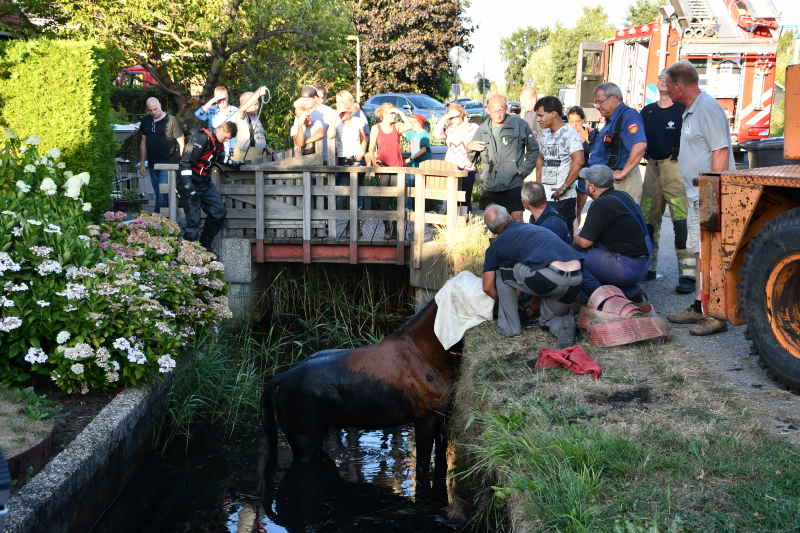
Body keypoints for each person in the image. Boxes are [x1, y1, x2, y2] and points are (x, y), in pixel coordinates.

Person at [663, 60, 735, 336]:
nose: (667, 90)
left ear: (679, 86)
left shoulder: (707, 108)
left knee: (712, 255)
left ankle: (716, 316)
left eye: (669, 85)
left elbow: (720, 150)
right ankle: (699, 306)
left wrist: (712, 193)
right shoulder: (691, 110)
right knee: (700, 253)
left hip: (709, 196)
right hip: (697, 197)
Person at [481, 204, 583, 348]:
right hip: (575, 278)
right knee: (548, 320)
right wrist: (534, 309)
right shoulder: (533, 228)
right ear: (509, 216)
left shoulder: (496, 246)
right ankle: (564, 326)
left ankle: (509, 328)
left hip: (551, 277)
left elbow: (486, 287)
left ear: (491, 231)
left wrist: (509, 300)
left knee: (502, 269)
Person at [639, 70, 693, 290]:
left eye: (666, 78)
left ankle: (688, 274)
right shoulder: (647, 111)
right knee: (647, 220)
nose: (662, 80)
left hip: (675, 168)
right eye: (659, 77)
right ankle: (648, 268)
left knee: (681, 220)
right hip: (651, 167)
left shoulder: (683, 109)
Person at [574, 165, 652, 303]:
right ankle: (632, 292)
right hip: (642, 263)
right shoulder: (622, 196)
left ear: (592, 187)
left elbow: (585, 242)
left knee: (571, 257)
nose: (584, 184)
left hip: (627, 266)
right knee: (593, 254)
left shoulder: (600, 204)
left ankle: (605, 303)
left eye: (585, 181)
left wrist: (574, 238)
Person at [468, 94, 539, 224]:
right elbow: (474, 159)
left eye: (501, 110)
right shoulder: (482, 130)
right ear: (487, 110)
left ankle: (518, 245)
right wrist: (470, 147)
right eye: (495, 111)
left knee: (517, 221)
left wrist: (523, 170)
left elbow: (534, 149)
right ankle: (499, 244)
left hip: (513, 183)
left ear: (506, 108)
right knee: (494, 224)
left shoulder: (519, 125)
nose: (498, 114)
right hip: (491, 185)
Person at [177, 122, 242, 256]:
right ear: (220, 129)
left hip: (204, 183)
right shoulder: (200, 139)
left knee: (219, 212)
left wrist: (235, 164)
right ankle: (188, 256)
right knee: (193, 224)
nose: (226, 140)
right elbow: (185, 163)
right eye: (226, 138)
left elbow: (220, 157)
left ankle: (205, 245)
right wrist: (189, 188)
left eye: (229, 139)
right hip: (189, 184)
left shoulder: (218, 143)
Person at [587, 82, 647, 205]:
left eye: (600, 102)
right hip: (609, 182)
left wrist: (623, 172)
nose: (597, 106)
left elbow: (640, 145)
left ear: (614, 98)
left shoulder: (628, 116)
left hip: (622, 183)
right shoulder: (611, 119)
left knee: (622, 220)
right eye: (596, 103)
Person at [534, 96, 584, 234]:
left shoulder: (570, 135)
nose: (538, 119)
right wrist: (539, 186)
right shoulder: (546, 134)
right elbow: (540, 159)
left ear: (553, 113)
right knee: (544, 237)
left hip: (562, 200)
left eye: (541, 115)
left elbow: (579, 161)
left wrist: (563, 188)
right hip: (545, 198)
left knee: (563, 239)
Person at [367, 103, 413, 239]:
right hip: (382, 166)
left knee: (398, 198)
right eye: (391, 113)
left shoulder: (397, 126)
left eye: (394, 113)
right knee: (385, 198)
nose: (393, 116)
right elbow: (370, 148)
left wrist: (400, 112)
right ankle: (387, 226)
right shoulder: (376, 128)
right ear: (384, 115)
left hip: (397, 167)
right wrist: (374, 162)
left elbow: (410, 126)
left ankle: (396, 228)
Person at [328, 90, 368, 238]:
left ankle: (354, 225)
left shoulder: (358, 121)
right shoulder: (337, 122)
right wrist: (335, 116)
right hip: (344, 159)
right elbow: (330, 135)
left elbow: (364, 139)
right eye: (341, 110)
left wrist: (363, 152)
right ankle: (353, 224)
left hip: (357, 158)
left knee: (356, 192)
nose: (343, 113)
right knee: (348, 193)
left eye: (345, 111)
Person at [139, 97, 185, 215]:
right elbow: (143, 142)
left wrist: (183, 161)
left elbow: (181, 141)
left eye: (155, 109)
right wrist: (142, 164)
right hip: (153, 163)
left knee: (161, 193)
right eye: (150, 110)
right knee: (159, 194)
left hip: (168, 163)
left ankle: (157, 220)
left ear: (160, 105)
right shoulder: (146, 120)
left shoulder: (171, 120)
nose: (153, 112)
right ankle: (166, 221)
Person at [434, 104, 479, 214]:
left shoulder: (473, 127)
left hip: (467, 168)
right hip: (451, 170)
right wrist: (444, 117)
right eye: (450, 117)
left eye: (455, 116)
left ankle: (464, 225)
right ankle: (451, 226)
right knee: (451, 199)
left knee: (465, 199)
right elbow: (436, 134)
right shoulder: (449, 129)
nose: (453, 119)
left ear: (461, 114)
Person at [566, 106, 593, 233]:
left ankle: (576, 234)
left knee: (579, 208)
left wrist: (586, 137)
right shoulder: (565, 134)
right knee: (571, 207)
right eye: (571, 122)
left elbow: (597, 151)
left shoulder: (590, 132)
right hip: (569, 175)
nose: (575, 125)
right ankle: (570, 234)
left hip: (584, 176)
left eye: (578, 121)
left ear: (583, 120)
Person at [232, 86, 274, 162]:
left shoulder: (255, 117)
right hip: (248, 156)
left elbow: (258, 134)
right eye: (255, 104)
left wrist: (266, 147)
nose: (257, 107)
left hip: (260, 155)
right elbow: (242, 109)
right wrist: (257, 94)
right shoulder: (242, 116)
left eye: (258, 104)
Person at [195, 86, 238, 156]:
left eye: (224, 98)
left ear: (227, 97)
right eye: (219, 99)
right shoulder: (211, 110)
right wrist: (213, 100)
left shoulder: (235, 110)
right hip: (216, 150)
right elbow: (198, 114)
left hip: (233, 149)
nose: (222, 101)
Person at [403, 114, 432, 211]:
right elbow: (401, 132)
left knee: (428, 186)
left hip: (422, 165)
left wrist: (410, 159)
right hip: (414, 165)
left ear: (419, 123)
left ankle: (440, 202)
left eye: (414, 123)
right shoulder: (412, 133)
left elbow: (423, 150)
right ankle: (408, 207)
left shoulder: (424, 133)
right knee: (407, 184)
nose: (412, 125)